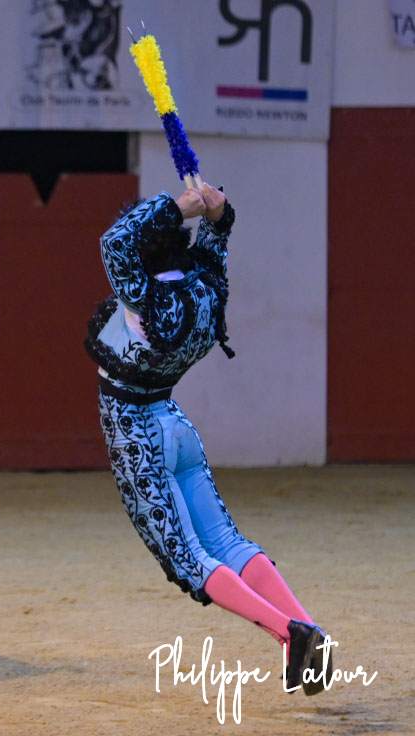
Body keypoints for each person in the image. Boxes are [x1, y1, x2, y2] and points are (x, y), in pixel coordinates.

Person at [84, 183, 331, 695]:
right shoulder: (204, 289)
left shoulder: (146, 297)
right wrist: (217, 215)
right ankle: (309, 628)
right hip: (175, 424)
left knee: (190, 558)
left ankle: (291, 635)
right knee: (227, 543)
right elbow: (213, 247)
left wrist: (179, 207)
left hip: (138, 435)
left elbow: (114, 243)